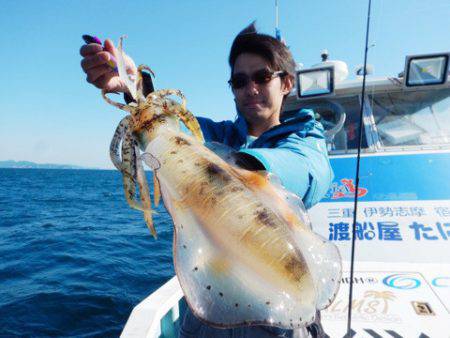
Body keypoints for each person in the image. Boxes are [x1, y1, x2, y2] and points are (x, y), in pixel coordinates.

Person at [80, 23, 333, 338]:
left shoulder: (307, 140)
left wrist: (227, 170)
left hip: (280, 320)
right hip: (207, 320)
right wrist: (134, 85)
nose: (251, 88)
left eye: (262, 77)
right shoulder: (212, 136)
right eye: (240, 81)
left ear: (286, 83)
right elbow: (169, 130)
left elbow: (307, 173)